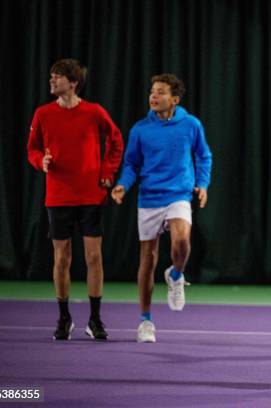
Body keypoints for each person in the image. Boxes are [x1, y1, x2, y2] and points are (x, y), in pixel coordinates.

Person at [27, 58, 124, 341]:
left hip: (91, 196)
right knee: (62, 259)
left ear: (73, 82)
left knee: (94, 257)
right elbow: (32, 149)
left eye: (57, 77)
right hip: (57, 197)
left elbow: (115, 139)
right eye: (51, 76)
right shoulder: (43, 114)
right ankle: (64, 318)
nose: (51, 81)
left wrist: (106, 171)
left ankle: (94, 319)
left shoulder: (94, 112)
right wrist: (40, 161)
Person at [111, 74, 212, 343]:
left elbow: (203, 155)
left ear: (175, 99)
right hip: (149, 198)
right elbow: (131, 164)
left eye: (160, 92)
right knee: (148, 259)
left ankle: (176, 275)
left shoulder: (191, 124)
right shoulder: (140, 129)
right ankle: (145, 321)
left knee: (181, 242)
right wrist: (123, 185)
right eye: (152, 92)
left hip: (179, 193)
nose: (153, 96)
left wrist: (202, 184)